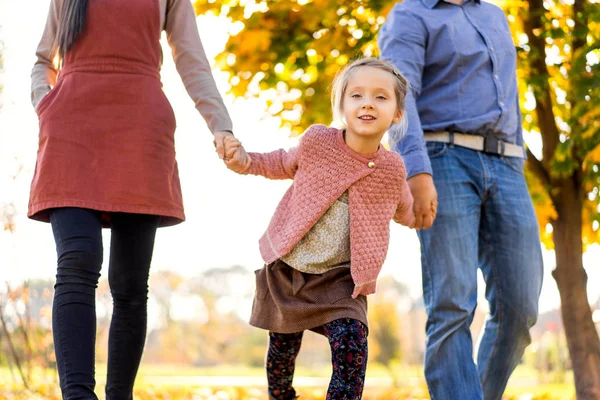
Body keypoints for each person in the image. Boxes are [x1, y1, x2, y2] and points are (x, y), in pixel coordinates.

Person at [29, 0, 245, 398]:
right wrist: (46, 104)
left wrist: (221, 125)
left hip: (141, 130)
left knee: (129, 283)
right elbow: (44, 58)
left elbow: (191, 59)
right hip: (71, 129)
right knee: (77, 262)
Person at [223, 57, 417, 399]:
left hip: (342, 280)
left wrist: (423, 215)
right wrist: (246, 161)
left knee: (352, 349)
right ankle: (281, 396)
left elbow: (404, 208)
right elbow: (281, 162)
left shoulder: (392, 169)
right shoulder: (318, 142)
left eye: (381, 97)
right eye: (356, 95)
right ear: (342, 105)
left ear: (398, 113)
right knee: (281, 355)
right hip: (291, 271)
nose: (368, 102)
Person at [378, 1, 544, 399]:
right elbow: (398, 98)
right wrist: (416, 170)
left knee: (520, 308)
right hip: (443, 157)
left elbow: (508, 94)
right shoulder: (410, 15)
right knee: (453, 303)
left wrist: (517, 156)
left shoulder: (494, 15)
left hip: (506, 163)